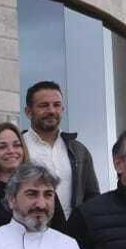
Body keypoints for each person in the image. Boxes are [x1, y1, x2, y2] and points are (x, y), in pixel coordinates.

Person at [0, 122, 66, 235]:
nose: (11, 151)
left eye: (17, 145)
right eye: (2, 147)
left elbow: (61, 233)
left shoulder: (43, 187)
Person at [20, 80, 99, 217]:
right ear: (28, 112)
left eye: (56, 105)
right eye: (44, 105)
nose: (51, 110)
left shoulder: (79, 151)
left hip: (71, 233)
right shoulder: (18, 147)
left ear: (62, 109)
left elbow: (92, 197)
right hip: (27, 230)